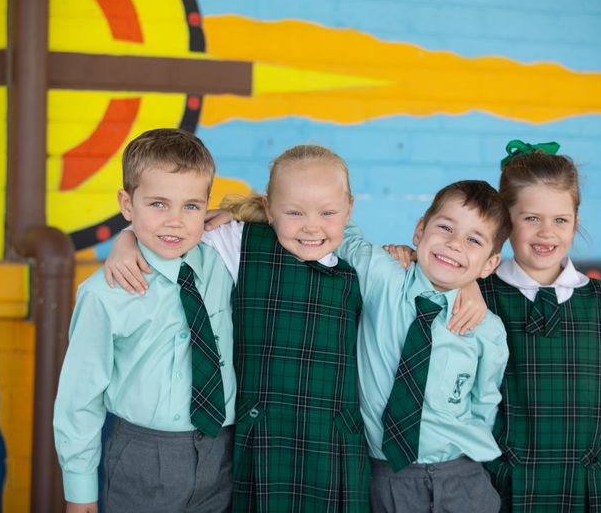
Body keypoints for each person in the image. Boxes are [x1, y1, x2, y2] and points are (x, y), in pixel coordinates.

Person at [106, 144, 370, 512]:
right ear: (268, 208)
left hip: (330, 443)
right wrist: (128, 238)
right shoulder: (239, 243)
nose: (312, 226)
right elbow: (170, 233)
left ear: (348, 209)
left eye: (327, 212)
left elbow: (428, 281)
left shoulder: (362, 261)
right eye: (294, 212)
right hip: (259, 440)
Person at [53, 128, 236, 513]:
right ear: (126, 203)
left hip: (223, 455)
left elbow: (288, 207)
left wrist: (233, 212)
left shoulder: (225, 262)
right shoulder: (104, 294)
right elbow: (79, 398)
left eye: (191, 206)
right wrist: (80, 488)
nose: (175, 221)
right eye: (158, 204)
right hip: (143, 456)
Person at [481, 140, 601, 512]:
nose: (547, 232)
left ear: (576, 222)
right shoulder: (479, 295)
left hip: (590, 489)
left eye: (560, 219)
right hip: (505, 488)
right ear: (505, 221)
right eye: (531, 218)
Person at [335, 180, 511, 513]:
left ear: (489, 264)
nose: (454, 244)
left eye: (474, 240)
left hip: (462, 476)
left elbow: (485, 401)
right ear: (419, 230)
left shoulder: (487, 329)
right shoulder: (382, 276)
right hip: (388, 476)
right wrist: (241, 214)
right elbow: (338, 226)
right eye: (445, 227)